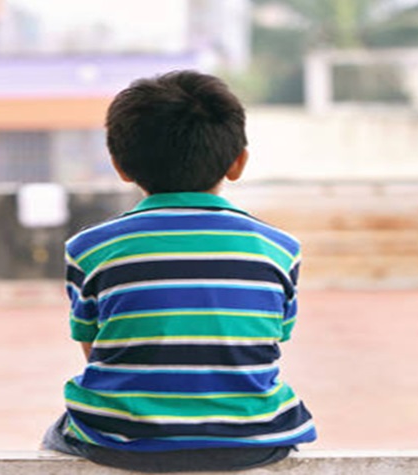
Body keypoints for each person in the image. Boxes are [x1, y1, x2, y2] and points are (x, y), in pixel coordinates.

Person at [42, 70, 317, 472]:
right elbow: (268, 342)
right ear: (238, 162)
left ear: (120, 165)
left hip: (121, 440)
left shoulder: (90, 248)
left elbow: (95, 347)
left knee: (58, 434)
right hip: (251, 438)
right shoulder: (279, 249)